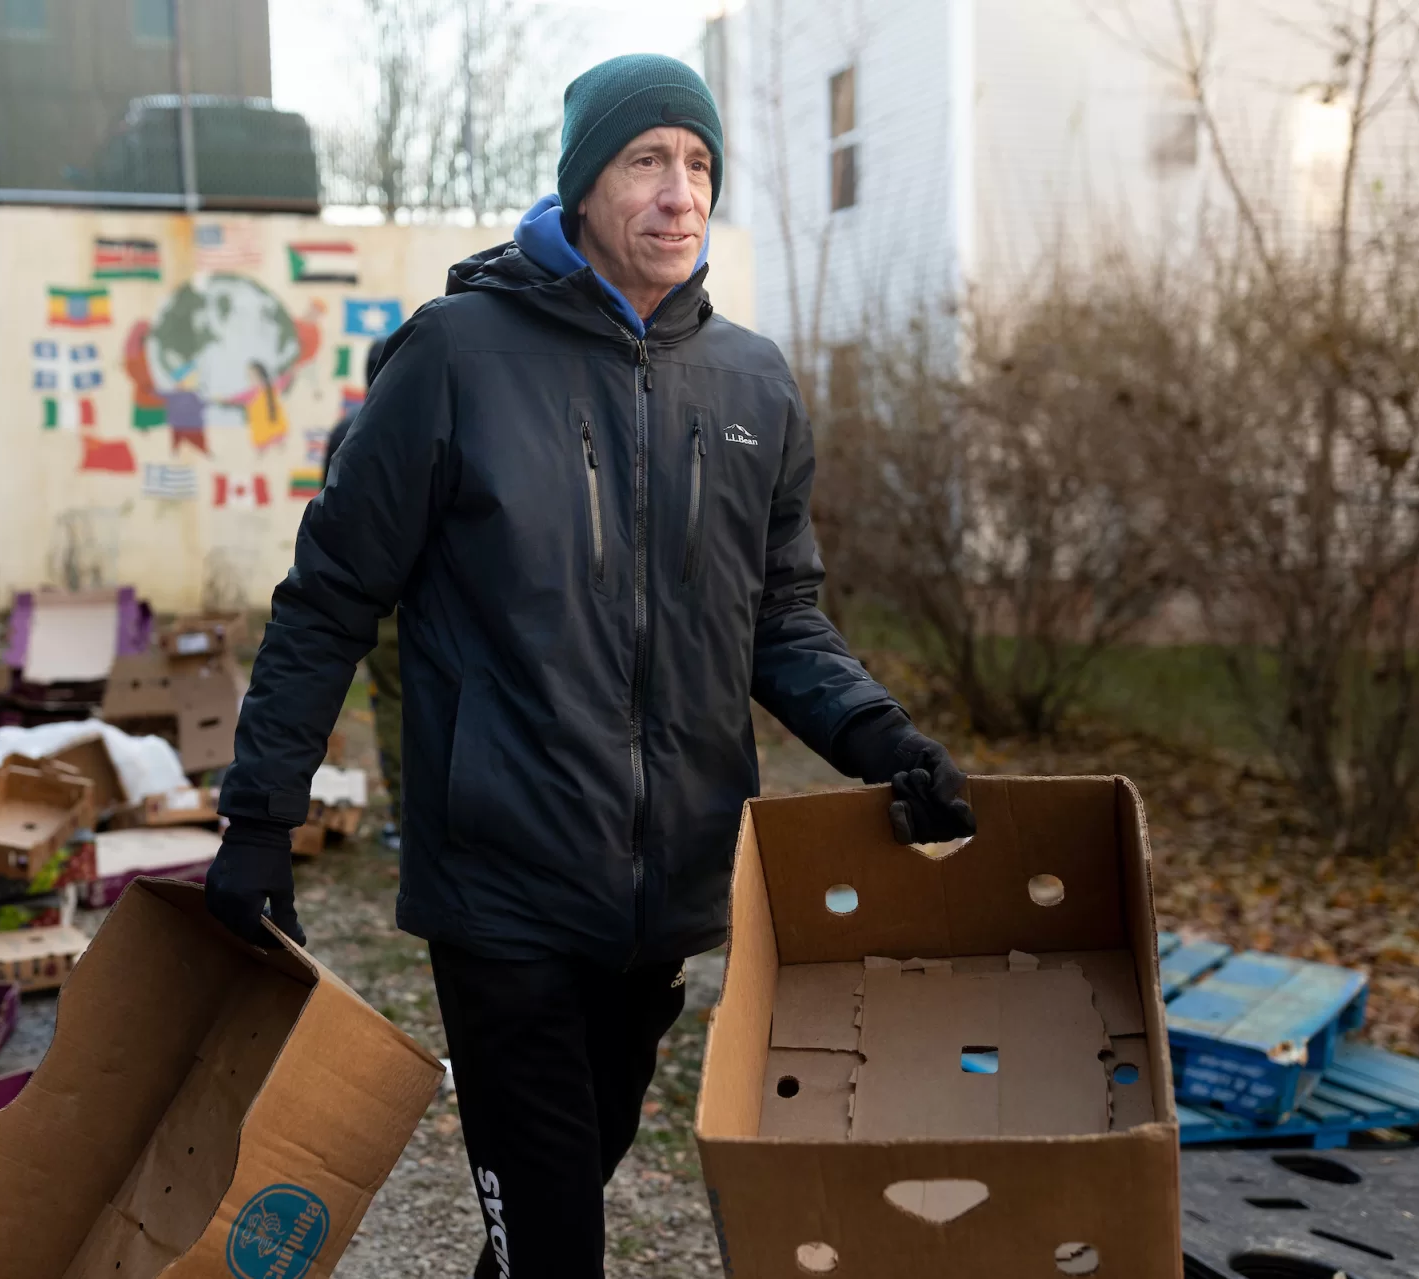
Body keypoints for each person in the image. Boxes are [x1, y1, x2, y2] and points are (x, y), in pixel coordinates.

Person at [207, 53, 974, 1278]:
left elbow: (779, 617)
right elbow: (326, 603)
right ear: (579, 186)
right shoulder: (455, 357)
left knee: (563, 1192)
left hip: (665, 895)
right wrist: (259, 819)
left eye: (700, 167)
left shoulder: (753, 383)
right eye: (647, 161)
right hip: (502, 884)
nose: (680, 195)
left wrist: (882, 738)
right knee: (558, 1235)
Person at [322, 338, 401, 844]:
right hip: (433, 594)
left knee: (393, 704)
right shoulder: (432, 421)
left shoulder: (345, 430)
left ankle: (404, 816)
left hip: (375, 590)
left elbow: (328, 514)